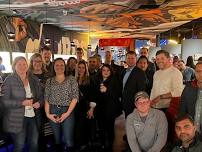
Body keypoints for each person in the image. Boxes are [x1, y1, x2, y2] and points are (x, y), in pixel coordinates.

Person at [1, 56, 44, 152]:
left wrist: (39, 103)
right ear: (14, 66)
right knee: (19, 145)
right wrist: (21, 103)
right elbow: (4, 101)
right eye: (19, 64)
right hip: (16, 118)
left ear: (27, 66)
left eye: (24, 64)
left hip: (33, 116)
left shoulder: (33, 79)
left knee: (34, 143)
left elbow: (42, 96)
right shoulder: (9, 80)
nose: (22, 66)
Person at [44, 58, 79, 152]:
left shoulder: (71, 79)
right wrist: (48, 114)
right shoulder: (49, 81)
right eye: (57, 65)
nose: (59, 67)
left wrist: (67, 114)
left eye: (62, 65)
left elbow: (75, 98)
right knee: (56, 138)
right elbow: (46, 99)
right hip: (53, 110)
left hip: (68, 110)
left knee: (68, 139)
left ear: (65, 66)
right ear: (53, 67)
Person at [94, 64, 122, 151]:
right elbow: (95, 96)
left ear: (110, 71)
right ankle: (102, 144)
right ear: (101, 71)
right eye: (104, 70)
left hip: (110, 109)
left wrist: (107, 90)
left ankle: (110, 145)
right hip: (100, 109)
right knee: (101, 128)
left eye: (108, 70)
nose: (106, 72)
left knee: (110, 128)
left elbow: (117, 94)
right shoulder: (98, 80)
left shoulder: (115, 80)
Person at [179, 62, 202, 135]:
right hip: (191, 133)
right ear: (195, 72)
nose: (201, 74)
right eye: (198, 71)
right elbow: (182, 111)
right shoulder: (188, 88)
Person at [122, 51, 147, 117]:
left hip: (134, 105)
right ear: (126, 59)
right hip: (125, 104)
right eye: (128, 58)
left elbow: (141, 91)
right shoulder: (124, 71)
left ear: (136, 59)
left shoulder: (140, 73)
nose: (130, 60)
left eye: (132, 58)